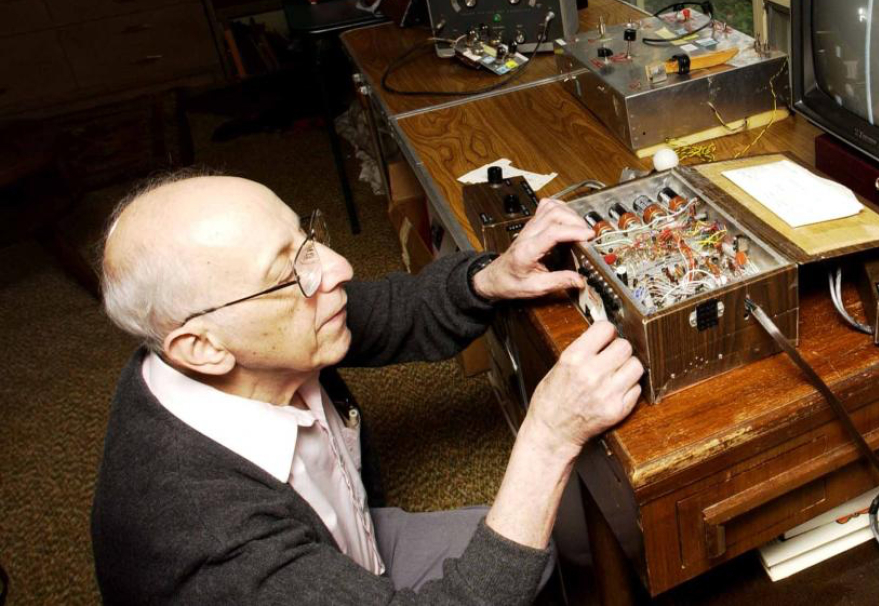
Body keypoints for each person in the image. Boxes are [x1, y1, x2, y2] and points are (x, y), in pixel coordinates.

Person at [90, 174, 643, 604]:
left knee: (535, 554)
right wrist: (547, 438)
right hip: (307, 575)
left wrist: (489, 278)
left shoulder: (261, 334)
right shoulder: (209, 549)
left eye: (307, 238)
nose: (338, 267)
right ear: (203, 347)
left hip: (351, 548)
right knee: (516, 556)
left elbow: (392, 310)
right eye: (291, 271)